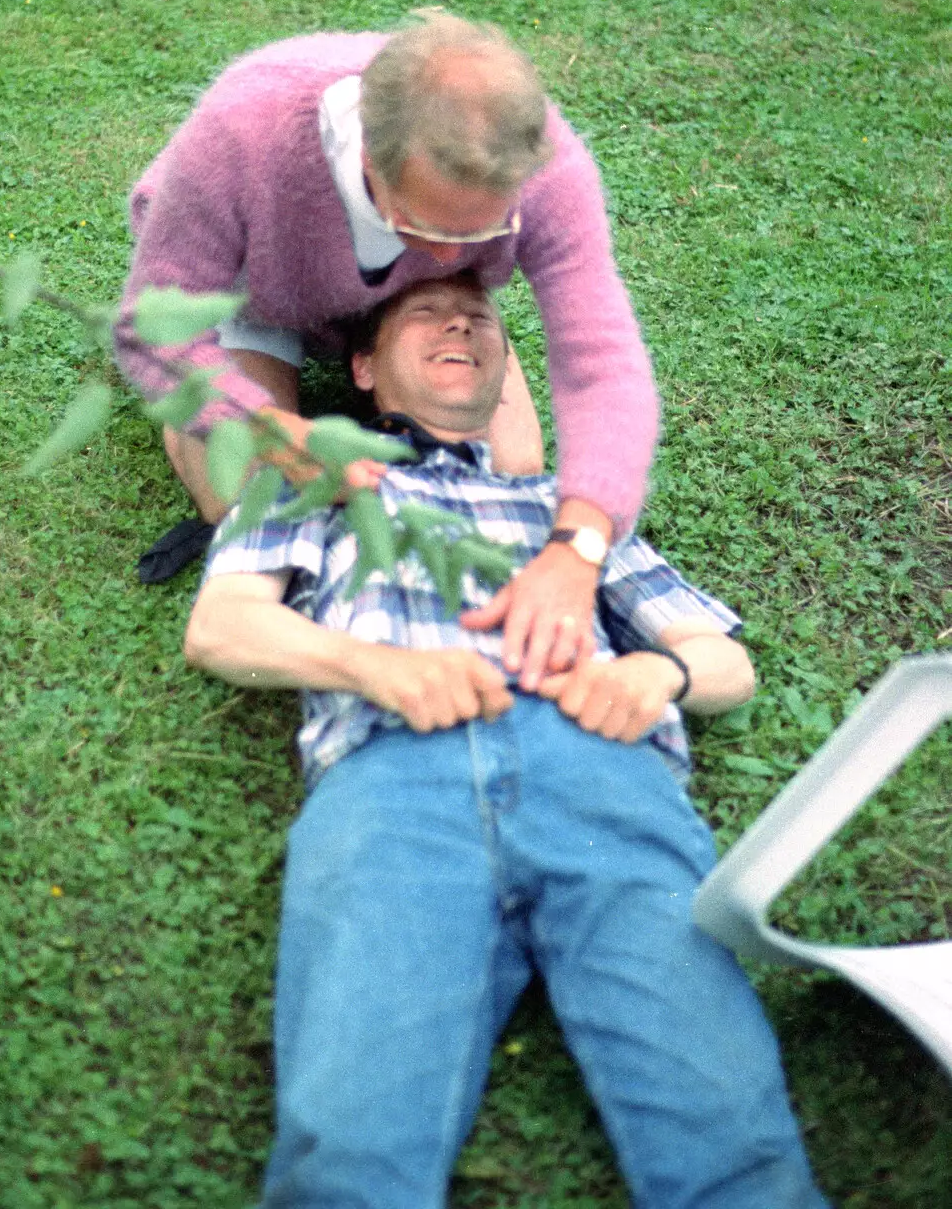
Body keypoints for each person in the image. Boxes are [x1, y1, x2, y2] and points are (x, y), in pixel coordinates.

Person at [184, 273, 830, 1209]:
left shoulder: (567, 513)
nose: (460, 323)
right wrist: (376, 669)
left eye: (479, 318)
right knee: (348, 1152)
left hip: (603, 783)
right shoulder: (307, 495)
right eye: (426, 316)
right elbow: (223, 630)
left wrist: (656, 675)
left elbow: (722, 661)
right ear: (363, 369)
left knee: (727, 1131)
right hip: (393, 787)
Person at [118, 12, 657, 686]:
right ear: (370, 156)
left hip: (414, 298)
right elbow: (154, 325)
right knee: (244, 497)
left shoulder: (543, 165)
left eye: (486, 230)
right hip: (249, 282)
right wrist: (265, 429)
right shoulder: (242, 128)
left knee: (511, 466)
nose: (457, 255)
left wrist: (578, 549)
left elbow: (601, 361)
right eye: (429, 225)